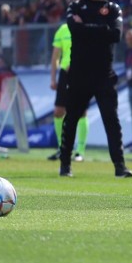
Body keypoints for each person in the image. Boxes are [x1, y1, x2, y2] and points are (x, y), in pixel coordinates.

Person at [58, 0, 132, 178]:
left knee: (111, 119)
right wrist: (102, 29)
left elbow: (116, 35)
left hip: (104, 75)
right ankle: (65, 164)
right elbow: (75, 30)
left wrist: (89, 29)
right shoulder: (75, 6)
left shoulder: (113, 8)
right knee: (71, 118)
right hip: (79, 74)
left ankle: (120, 166)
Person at [46, 23, 89, 162]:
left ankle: (80, 151)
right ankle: (62, 148)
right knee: (58, 112)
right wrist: (53, 78)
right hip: (65, 73)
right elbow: (55, 56)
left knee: (81, 111)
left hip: (82, 72)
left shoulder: (87, 27)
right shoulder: (63, 30)